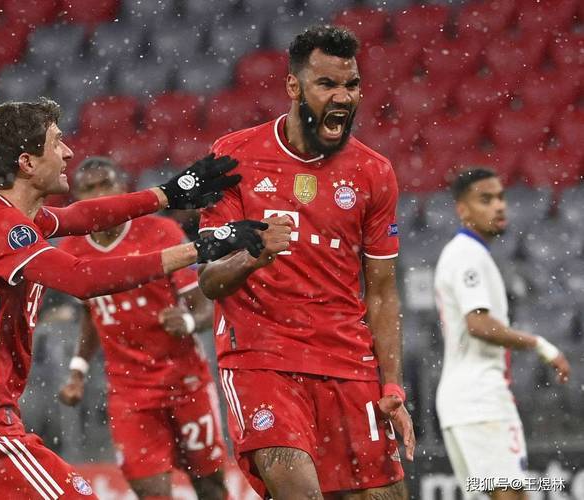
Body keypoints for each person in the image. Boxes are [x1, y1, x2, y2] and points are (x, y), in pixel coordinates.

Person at [0, 98, 272, 499]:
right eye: (56, 142)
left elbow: (80, 218)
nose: (67, 152)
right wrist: (200, 247)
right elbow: (83, 279)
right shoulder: (0, 227)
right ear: (27, 162)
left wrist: (167, 194)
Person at [196, 26, 415, 499]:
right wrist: (253, 255)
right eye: (327, 84)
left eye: (352, 85)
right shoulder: (233, 156)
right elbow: (209, 279)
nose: (343, 97)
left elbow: (382, 290)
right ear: (293, 87)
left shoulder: (374, 172)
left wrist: (393, 387)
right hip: (262, 361)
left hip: (349, 363)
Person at [57, 157, 228, 500]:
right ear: (77, 199)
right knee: (151, 492)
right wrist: (78, 370)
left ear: (124, 188)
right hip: (129, 392)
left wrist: (188, 322)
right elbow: (94, 313)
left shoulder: (161, 232)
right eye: (89, 188)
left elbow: (204, 305)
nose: (100, 195)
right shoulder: (71, 249)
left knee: (210, 486)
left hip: (185, 382)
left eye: (106, 184)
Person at [434, 168, 570, 500]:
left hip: (466, 400)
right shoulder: (468, 255)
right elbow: (478, 324)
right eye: (486, 199)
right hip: (480, 399)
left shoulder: (466, 253)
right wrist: (539, 344)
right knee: (512, 496)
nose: (499, 206)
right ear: (462, 209)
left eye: (500, 197)